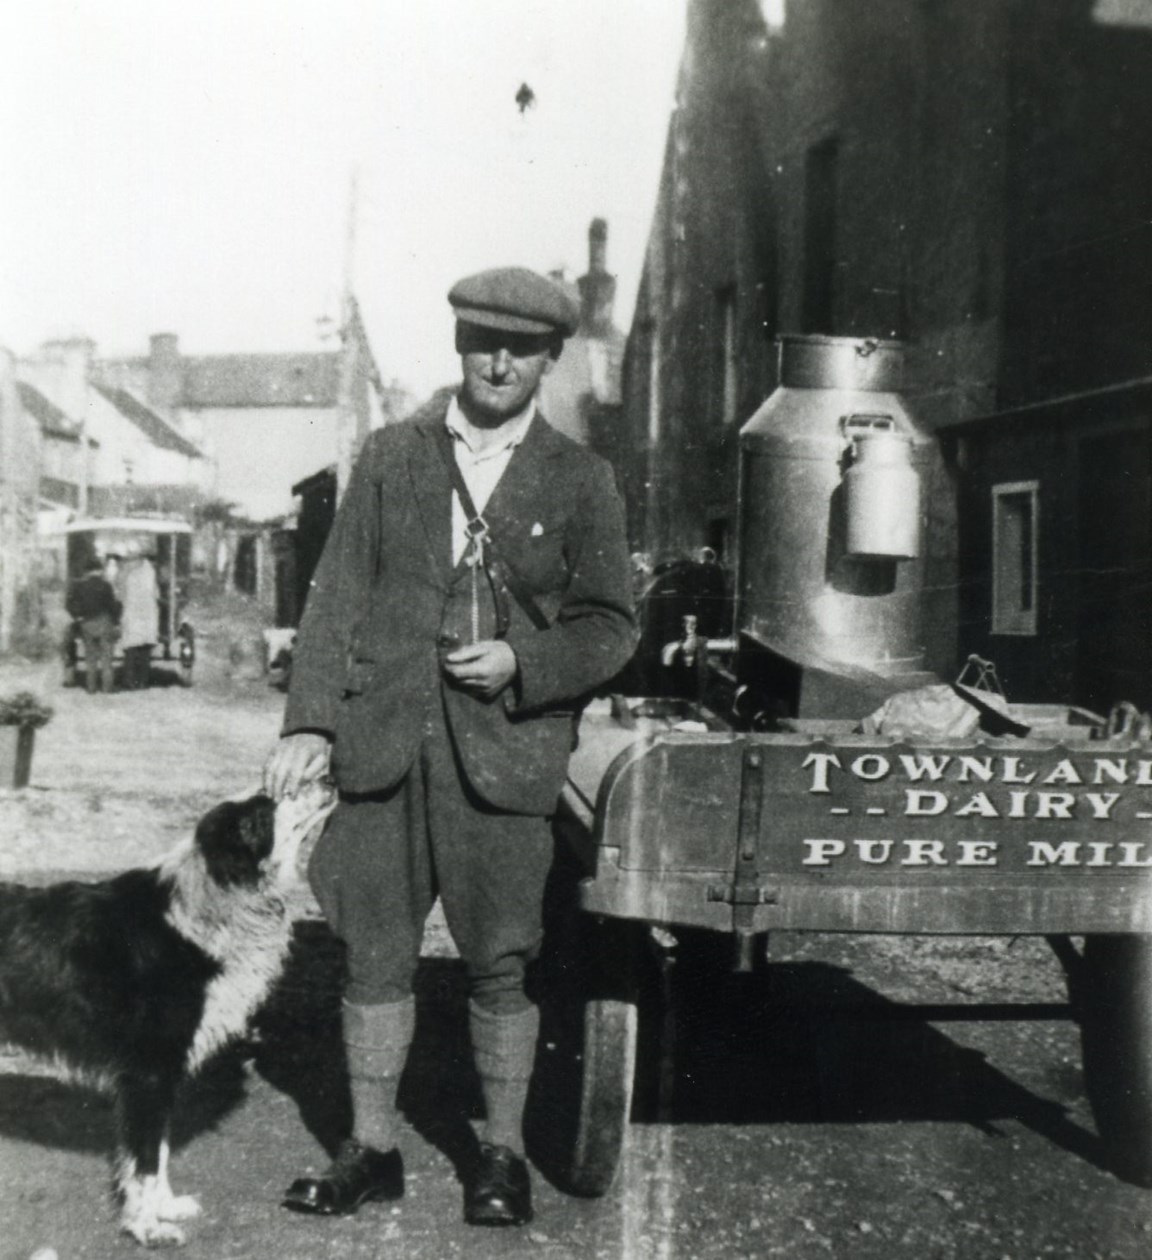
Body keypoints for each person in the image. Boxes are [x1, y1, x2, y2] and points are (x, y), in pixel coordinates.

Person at [264, 266, 636, 1228]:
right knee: (372, 955)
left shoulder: (581, 478)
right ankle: (371, 1148)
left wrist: (522, 659)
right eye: (482, 341)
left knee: (501, 964)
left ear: (550, 360)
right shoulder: (392, 457)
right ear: (460, 346)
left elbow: (608, 627)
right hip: (383, 747)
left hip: (506, 759)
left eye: (520, 347)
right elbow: (336, 594)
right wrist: (310, 720)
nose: (499, 361)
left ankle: (501, 1156)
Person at [65, 557, 121, 694]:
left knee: (90, 657)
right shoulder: (105, 585)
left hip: (86, 623)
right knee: (107, 657)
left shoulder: (79, 586)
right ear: (99, 570)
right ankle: (107, 688)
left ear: (87, 571)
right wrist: (116, 621)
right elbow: (112, 606)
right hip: (104, 622)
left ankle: (91, 688)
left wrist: (77, 616)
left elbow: (69, 604)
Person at [118, 553, 159, 690]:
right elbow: (156, 594)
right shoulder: (151, 573)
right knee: (145, 651)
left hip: (132, 615)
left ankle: (129, 681)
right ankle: (143, 681)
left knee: (130, 650)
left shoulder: (128, 574)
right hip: (147, 617)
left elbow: (121, 594)